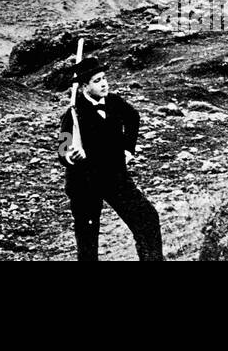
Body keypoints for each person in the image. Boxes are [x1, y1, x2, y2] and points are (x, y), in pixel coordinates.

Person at [59, 57, 164, 262]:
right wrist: (71, 155)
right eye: (97, 81)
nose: (104, 83)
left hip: (115, 178)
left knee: (147, 218)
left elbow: (133, 117)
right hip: (84, 183)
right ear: (83, 87)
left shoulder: (115, 103)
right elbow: (63, 149)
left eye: (104, 78)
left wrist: (128, 149)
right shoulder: (72, 113)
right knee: (87, 239)